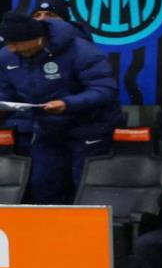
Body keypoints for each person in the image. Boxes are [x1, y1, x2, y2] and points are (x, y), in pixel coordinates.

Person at [0, 12, 123, 204]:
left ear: (38, 38)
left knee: (84, 186)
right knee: (43, 185)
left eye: (17, 43)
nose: (12, 48)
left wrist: (68, 104)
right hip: (47, 129)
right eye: (8, 43)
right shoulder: (8, 56)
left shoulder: (81, 50)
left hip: (89, 128)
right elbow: (5, 91)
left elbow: (104, 89)